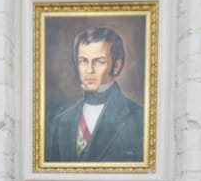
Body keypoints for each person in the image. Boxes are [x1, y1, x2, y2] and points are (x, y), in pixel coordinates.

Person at [45, 27, 145, 164]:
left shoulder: (138, 118)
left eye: (99, 61)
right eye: (83, 61)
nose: (89, 70)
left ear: (116, 66)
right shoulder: (61, 121)